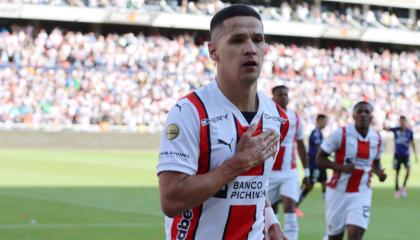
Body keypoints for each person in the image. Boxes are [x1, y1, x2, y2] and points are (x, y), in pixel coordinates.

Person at [157, 4, 290, 240]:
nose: (250, 49)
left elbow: (257, 184)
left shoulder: (277, 117)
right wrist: (237, 163)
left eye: (257, 39)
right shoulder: (189, 112)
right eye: (237, 40)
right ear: (213, 51)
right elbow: (171, 200)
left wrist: (271, 222)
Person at [316, 101, 387, 240]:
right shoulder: (341, 134)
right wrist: (341, 167)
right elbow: (319, 158)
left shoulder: (377, 138)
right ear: (354, 116)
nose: (363, 115)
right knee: (335, 237)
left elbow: (376, 162)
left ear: (372, 117)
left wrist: (380, 173)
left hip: (361, 192)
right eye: (359, 112)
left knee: (355, 234)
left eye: (367, 112)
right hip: (338, 192)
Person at [268, 85, 310, 240]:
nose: (284, 97)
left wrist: (306, 172)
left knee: (290, 206)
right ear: (273, 97)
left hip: (289, 172)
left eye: (286, 94)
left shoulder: (295, 117)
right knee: (270, 211)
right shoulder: (266, 114)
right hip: (270, 173)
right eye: (280, 94)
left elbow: (300, 144)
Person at [296, 114, 328, 208]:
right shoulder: (316, 133)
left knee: (325, 183)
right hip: (315, 163)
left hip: (320, 163)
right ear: (319, 121)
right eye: (324, 121)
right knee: (310, 185)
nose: (326, 123)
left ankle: (328, 206)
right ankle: (296, 202)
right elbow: (318, 148)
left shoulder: (320, 133)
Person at [384, 116, 418, 198]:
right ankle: (396, 189)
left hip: (406, 155)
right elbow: (386, 129)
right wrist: (384, 123)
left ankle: (403, 187)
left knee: (408, 171)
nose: (402, 123)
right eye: (401, 121)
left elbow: (412, 143)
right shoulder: (396, 130)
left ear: (405, 122)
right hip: (397, 155)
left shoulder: (409, 132)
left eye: (403, 121)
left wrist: (415, 154)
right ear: (399, 122)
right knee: (397, 172)